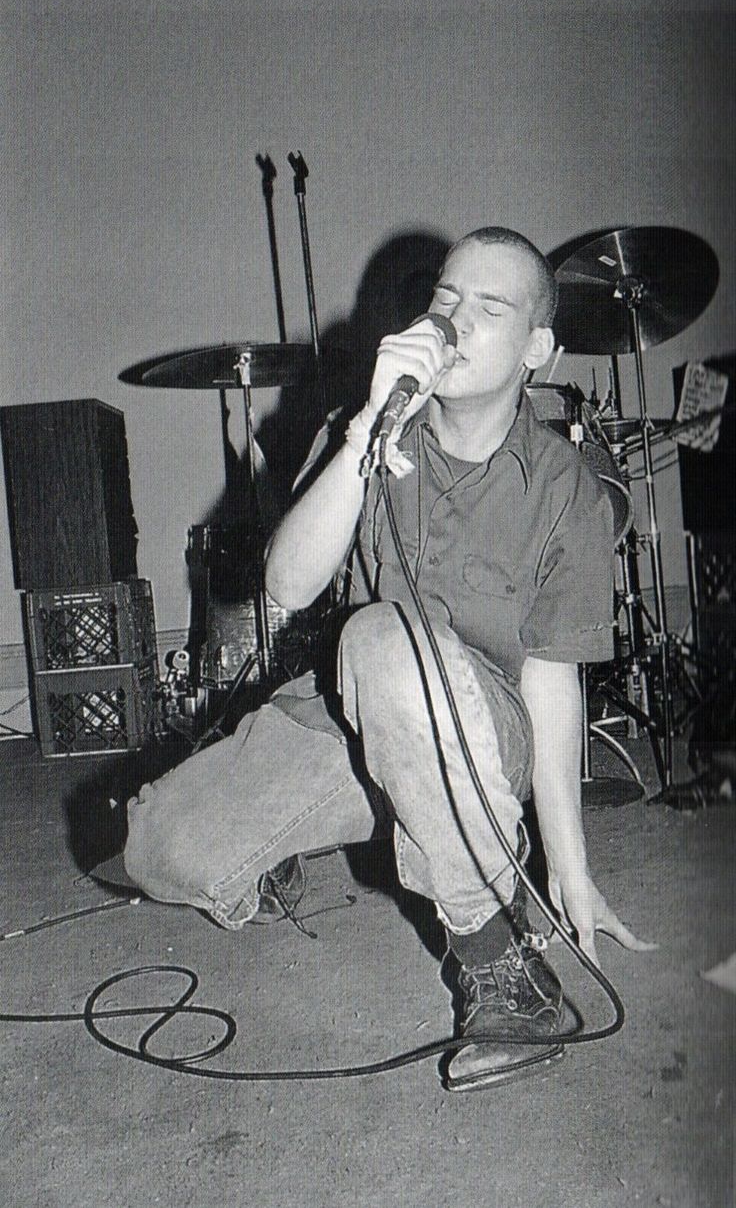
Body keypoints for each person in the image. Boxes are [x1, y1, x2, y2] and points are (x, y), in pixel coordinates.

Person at [123, 227, 656, 1092]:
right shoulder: (367, 432)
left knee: (379, 635)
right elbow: (289, 584)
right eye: (444, 300)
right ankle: (354, 824)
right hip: (353, 712)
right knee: (158, 846)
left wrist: (569, 865)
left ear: (538, 351)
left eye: (488, 308)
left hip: (486, 733)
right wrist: (366, 433)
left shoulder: (567, 487)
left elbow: (555, 682)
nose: (454, 320)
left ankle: (504, 966)